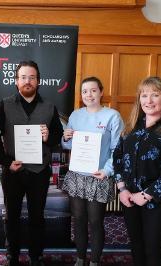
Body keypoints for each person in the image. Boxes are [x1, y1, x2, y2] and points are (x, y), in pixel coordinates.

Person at [113, 76, 161, 266]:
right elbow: (118, 157)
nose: (148, 101)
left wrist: (147, 195)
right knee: (136, 247)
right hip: (130, 198)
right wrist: (122, 189)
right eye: (144, 95)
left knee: (154, 250)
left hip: (159, 202)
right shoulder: (132, 126)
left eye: (155, 95)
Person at [0, 60, 63, 266]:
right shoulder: (5, 104)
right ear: (16, 81)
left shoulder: (49, 107)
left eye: (32, 77)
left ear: (38, 81)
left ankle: (35, 255)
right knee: (11, 216)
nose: (27, 81)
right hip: (13, 170)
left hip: (39, 171)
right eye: (23, 77)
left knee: (37, 217)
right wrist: (5, 162)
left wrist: (49, 136)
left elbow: (58, 137)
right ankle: (12, 255)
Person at [61, 77, 124, 266]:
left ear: (101, 92)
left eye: (93, 90)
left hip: (99, 177)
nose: (89, 94)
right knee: (78, 219)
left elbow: (118, 149)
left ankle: (95, 261)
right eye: (85, 91)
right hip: (77, 176)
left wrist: (107, 170)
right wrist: (65, 137)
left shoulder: (112, 116)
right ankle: (80, 259)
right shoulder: (75, 116)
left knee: (96, 222)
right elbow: (68, 145)